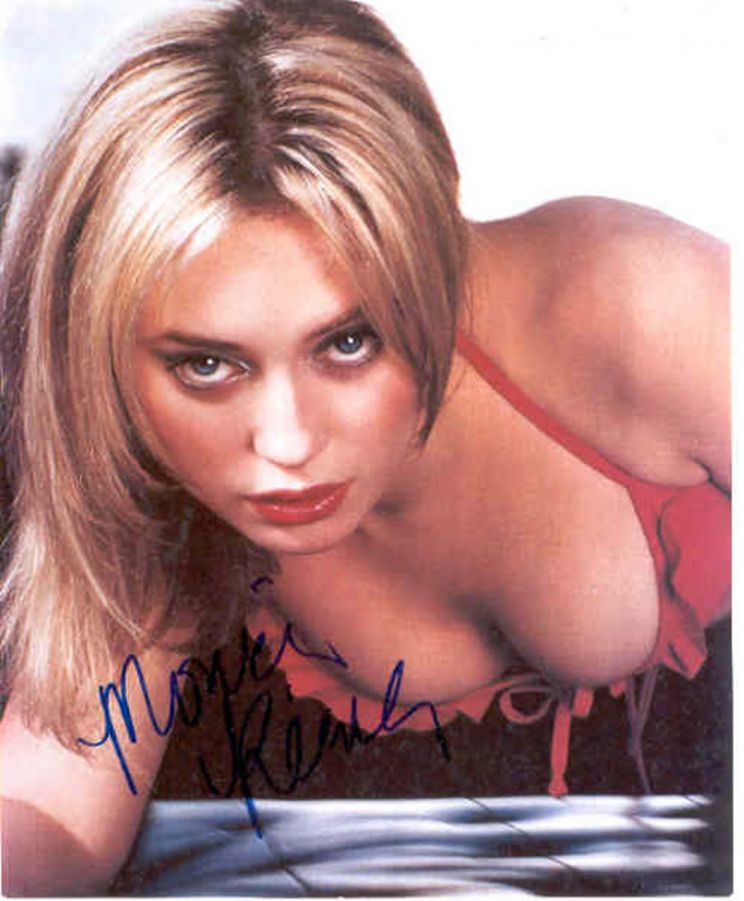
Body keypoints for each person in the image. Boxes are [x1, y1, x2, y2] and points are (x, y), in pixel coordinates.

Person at [0, 0, 730, 894]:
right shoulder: (141, 467)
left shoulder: (646, 311)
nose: (287, 441)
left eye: (349, 342)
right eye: (206, 364)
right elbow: (52, 799)